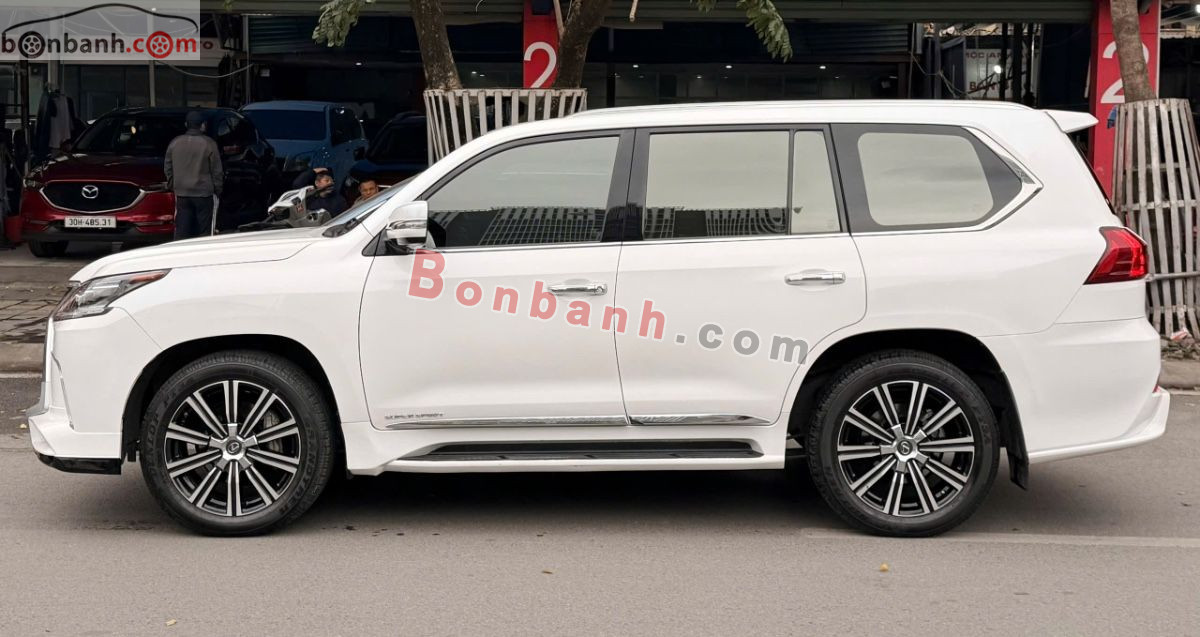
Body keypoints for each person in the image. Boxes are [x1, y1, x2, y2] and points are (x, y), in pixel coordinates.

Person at [165, 111, 223, 239]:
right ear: (203, 125)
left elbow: (168, 167)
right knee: (205, 231)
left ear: (186, 124)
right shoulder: (209, 143)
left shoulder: (175, 142)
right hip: (204, 193)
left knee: (182, 229)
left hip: (182, 193)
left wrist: (172, 184)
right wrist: (218, 189)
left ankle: (180, 249)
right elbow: (216, 170)